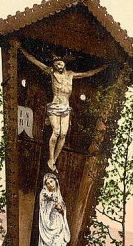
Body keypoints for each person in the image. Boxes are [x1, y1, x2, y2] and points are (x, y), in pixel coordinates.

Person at [17, 43, 107, 172]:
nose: (59, 66)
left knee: (63, 134)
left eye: (60, 63)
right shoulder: (52, 73)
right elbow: (36, 62)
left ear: (64, 63)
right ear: (53, 65)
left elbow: (86, 74)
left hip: (65, 107)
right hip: (54, 106)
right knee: (57, 132)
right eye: (56, 64)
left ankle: (53, 160)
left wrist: (102, 68)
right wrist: (21, 49)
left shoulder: (70, 74)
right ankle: (51, 157)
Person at [34, 173, 70, 246]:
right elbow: (47, 199)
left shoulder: (59, 194)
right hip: (48, 227)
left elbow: (63, 208)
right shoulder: (44, 193)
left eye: (51, 181)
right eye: (47, 183)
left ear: (56, 181)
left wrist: (61, 209)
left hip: (59, 226)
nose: (50, 184)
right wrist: (54, 204)